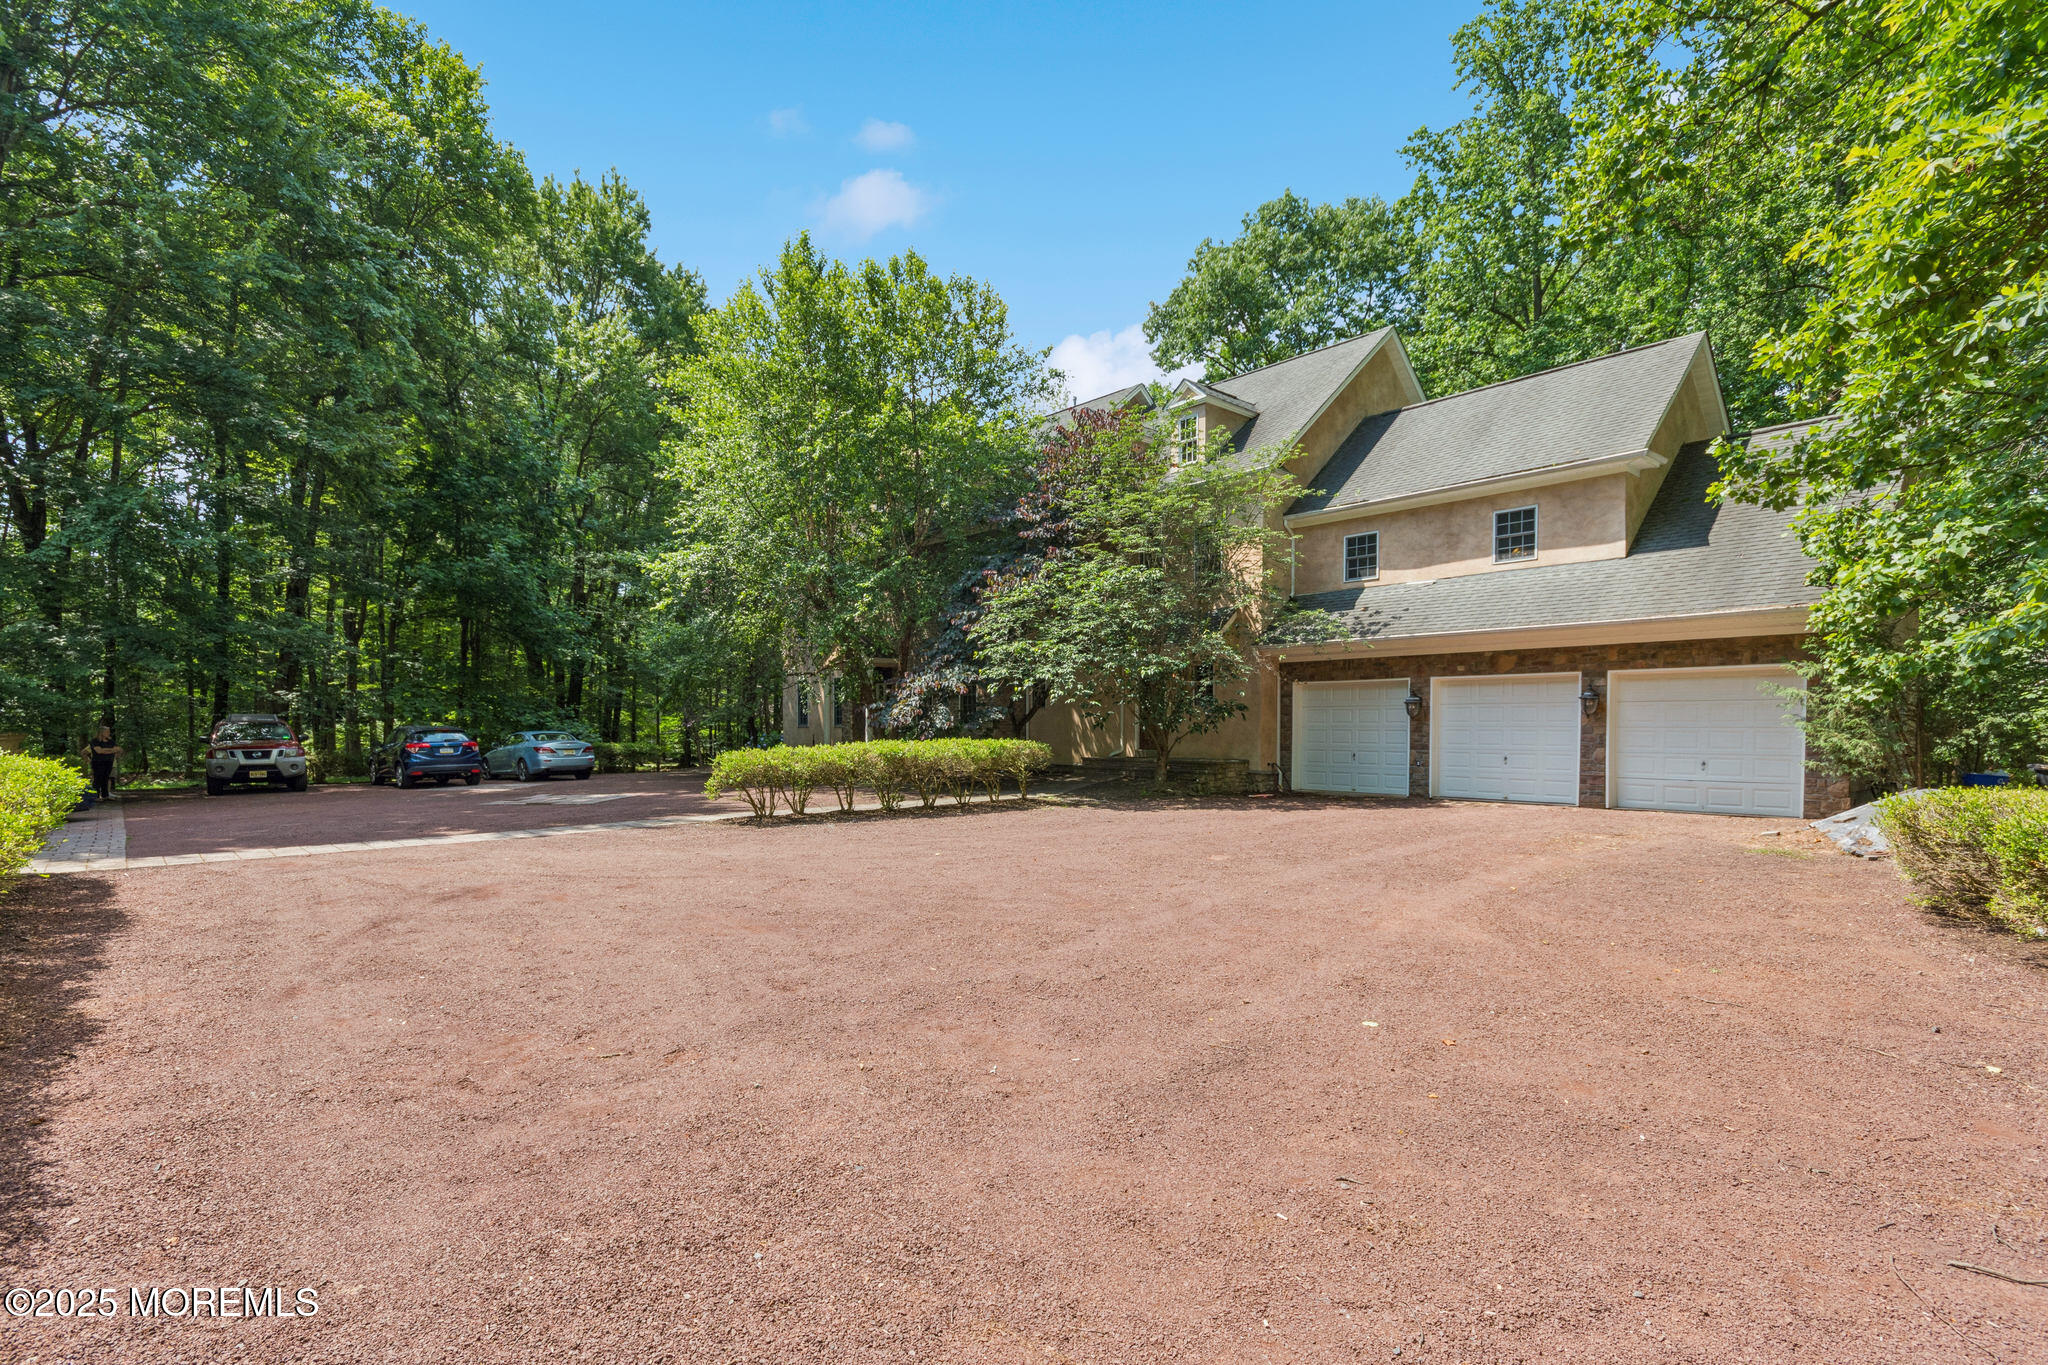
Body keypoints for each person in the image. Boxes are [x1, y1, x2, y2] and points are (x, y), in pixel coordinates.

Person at [82, 724, 124, 802]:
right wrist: (111, 750)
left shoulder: (111, 741)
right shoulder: (95, 741)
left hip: (109, 762)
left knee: (106, 778)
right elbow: (99, 751)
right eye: (107, 731)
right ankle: (96, 796)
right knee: (98, 779)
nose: (109, 733)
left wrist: (105, 750)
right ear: (101, 732)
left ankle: (105, 795)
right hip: (98, 762)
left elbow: (119, 749)